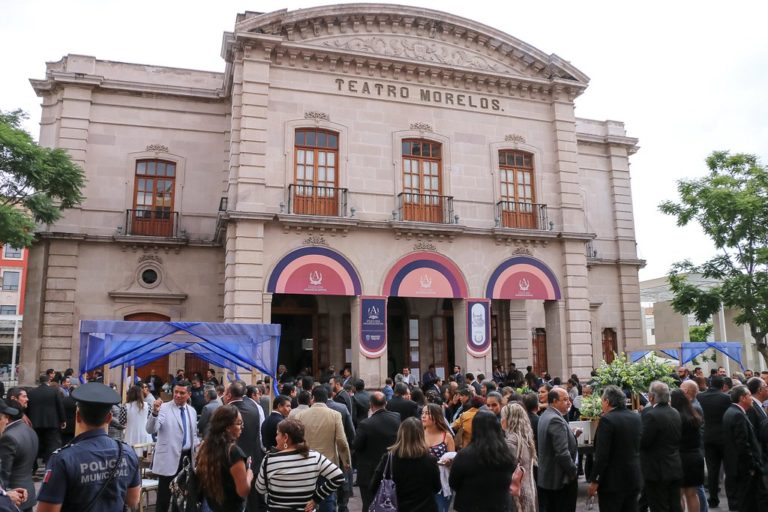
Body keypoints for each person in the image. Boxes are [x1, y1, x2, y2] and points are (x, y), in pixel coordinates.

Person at [36, 383, 141, 512]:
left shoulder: (63, 459)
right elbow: (133, 500)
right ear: (109, 418)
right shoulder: (127, 452)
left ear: (78, 416)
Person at [256, 418, 344, 511]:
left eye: (278, 434)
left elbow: (260, 489)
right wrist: (316, 498)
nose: (276, 437)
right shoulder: (315, 457)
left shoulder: (269, 460)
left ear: (285, 437)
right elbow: (339, 477)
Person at [293, 386, 351, 512]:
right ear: (327, 398)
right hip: (328, 464)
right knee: (328, 497)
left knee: (306, 498)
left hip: (305, 463)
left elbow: (295, 441)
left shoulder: (300, 415)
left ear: (312, 398)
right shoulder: (335, 415)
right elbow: (341, 441)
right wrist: (346, 461)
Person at [146, 379, 199, 512]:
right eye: (176, 392)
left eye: (182, 393)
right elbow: (150, 429)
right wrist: (155, 413)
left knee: (182, 497)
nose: (177, 395)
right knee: (164, 497)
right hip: (168, 458)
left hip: (187, 459)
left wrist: (197, 450)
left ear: (189, 394)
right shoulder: (163, 408)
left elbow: (193, 435)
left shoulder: (192, 411)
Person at [586, 385, 642, 512]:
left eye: (602, 401)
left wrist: (595, 481)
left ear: (607, 401)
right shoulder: (636, 417)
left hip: (612, 482)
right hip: (633, 477)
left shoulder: (607, 420)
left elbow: (602, 455)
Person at [450, 411, 515, 512]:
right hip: (500, 505)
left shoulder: (464, 455)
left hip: (470, 505)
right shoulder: (506, 453)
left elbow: (453, 482)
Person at [371, 417, 441, 511]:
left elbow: (374, 485)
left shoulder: (389, 459)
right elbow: (437, 487)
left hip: (396, 507)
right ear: (421, 435)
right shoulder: (430, 460)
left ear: (401, 433)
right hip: (425, 507)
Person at [196, 405, 253, 512]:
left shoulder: (205, 447)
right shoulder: (233, 452)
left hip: (210, 505)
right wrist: (249, 473)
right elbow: (243, 491)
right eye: (239, 423)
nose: (242, 427)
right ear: (227, 427)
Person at [352, 391, 400, 511]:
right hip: (391, 468)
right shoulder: (396, 417)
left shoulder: (365, 424)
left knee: (368, 504)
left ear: (371, 405)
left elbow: (356, 445)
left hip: (369, 471)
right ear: (386, 403)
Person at [640, 381, 683, 512]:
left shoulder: (651, 415)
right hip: (674, 465)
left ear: (651, 397)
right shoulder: (675, 412)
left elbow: (644, 441)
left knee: (659, 506)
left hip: (657, 470)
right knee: (675, 505)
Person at [224, 382, 264, 512]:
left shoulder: (225, 412)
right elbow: (259, 433)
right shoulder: (255, 407)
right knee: (252, 500)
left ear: (228, 395)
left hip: (231, 462)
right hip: (252, 459)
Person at [723, 385, 764, 512]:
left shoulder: (731, 411)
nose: (752, 399)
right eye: (749, 395)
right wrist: (752, 465)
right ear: (742, 398)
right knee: (747, 501)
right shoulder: (737, 415)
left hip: (736, 466)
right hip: (743, 468)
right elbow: (743, 444)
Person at [537, 387, 578, 512]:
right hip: (559, 480)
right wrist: (573, 471)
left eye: (568, 399)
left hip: (549, 479)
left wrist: (572, 435)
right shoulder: (555, 419)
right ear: (554, 401)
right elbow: (562, 453)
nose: (569, 403)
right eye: (565, 400)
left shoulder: (546, 415)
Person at [697, 375, 733, 509]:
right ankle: (732, 499)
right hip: (724, 437)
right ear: (722, 386)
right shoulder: (726, 398)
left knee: (712, 469)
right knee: (729, 468)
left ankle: (713, 498)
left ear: (710, 384)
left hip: (708, 436)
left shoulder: (700, 397)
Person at [669, 388, 704, 512]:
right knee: (692, 494)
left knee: (678, 495)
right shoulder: (694, 415)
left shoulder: (674, 417)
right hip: (695, 456)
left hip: (680, 458)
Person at [0, 398, 36, 511]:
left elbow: (4, 472)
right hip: (22, 494)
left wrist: (5, 494)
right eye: (4, 417)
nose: (6, 421)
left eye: (7, 417)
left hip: (16, 496)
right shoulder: (28, 428)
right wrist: (4, 495)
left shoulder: (9, 436)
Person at [501, 402, 537, 512]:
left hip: (518, 494)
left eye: (503, 417)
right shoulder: (525, 438)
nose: (501, 420)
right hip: (529, 488)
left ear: (509, 419)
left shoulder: (511, 442)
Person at [422, 403, 456, 512]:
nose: (423, 416)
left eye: (427, 413)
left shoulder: (447, 436)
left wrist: (449, 462)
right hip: (422, 483)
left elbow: (453, 458)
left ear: (436, 416)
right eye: (422, 413)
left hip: (442, 483)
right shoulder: (418, 434)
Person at [26, 373, 66, 465]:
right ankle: (49, 464)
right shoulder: (54, 391)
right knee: (52, 445)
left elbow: (28, 408)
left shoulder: (31, 392)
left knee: (36, 444)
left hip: (35, 422)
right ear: (49, 380)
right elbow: (60, 406)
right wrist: (63, 420)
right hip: (52, 422)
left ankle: (34, 465)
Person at [123, 384, 153, 454]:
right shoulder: (148, 406)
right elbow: (150, 419)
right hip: (145, 435)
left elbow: (121, 421)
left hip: (130, 435)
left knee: (130, 456)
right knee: (145, 457)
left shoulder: (125, 407)